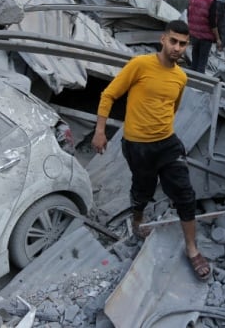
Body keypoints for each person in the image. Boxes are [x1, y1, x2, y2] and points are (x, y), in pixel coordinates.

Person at [91, 20, 212, 281]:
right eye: (173, 41)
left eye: (183, 43)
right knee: (142, 189)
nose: (177, 48)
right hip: (137, 145)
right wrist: (100, 131)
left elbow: (172, 107)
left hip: (167, 143)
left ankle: (192, 249)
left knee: (185, 193)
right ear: (163, 39)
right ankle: (137, 218)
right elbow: (108, 95)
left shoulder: (180, 77)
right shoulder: (140, 65)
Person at [187, 0, 221, 73]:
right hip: (205, 36)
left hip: (194, 34)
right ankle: (199, 85)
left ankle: (191, 84)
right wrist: (218, 38)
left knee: (194, 60)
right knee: (202, 62)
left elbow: (189, 14)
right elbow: (212, 22)